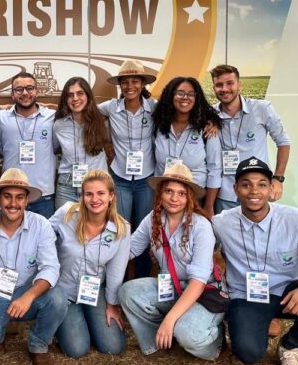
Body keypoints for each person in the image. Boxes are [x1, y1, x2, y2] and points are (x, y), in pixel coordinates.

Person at [212, 157, 298, 365]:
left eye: (262, 184)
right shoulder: (221, 223)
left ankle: (291, 346)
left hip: (287, 293)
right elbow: (198, 247)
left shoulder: (295, 219)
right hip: (246, 296)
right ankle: (248, 324)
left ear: (271, 188)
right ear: (235, 189)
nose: (254, 191)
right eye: (246, 184)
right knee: (248, 353)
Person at [119, 162, 225, 361]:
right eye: (169, 191)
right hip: (172, 287)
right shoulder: (153, 218)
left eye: (181, 193)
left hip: (204, 291)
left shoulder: (201, 226)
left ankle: (215, 341)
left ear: (189, 197)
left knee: (189, 334)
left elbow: (198, 281)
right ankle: (159, 341)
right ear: (160, 194)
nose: (174, 198)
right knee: (128, 292)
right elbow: (129, 251)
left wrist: (169, 320)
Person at [0, 168, 68, 365]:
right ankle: (0, 331)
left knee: (58, 298)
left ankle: (38, 345)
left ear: (27, 200)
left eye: (19, 197)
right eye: (7, 196)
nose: (13, 204)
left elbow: (50, 267)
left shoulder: (40, 225)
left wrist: (28, 296)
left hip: (27, 290)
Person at [49, 170, 129, 358]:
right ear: (82, 196)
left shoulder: (121, 229)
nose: (95, 199)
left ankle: (87, 320)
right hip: (65, 290)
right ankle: (63, 319)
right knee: (77, 349)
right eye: (89, 194)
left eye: (101, 193)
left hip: (93, 291)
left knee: (113, 346)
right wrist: (8, 216)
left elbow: (116, 272)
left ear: (111, 196)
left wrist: (111, 304)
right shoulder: (67, 213)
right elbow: (40, 232)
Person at [98, 60, 157, 276]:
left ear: (142, 84)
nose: (130, 86)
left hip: (146, 179)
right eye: (125, 82)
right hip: (120, 178)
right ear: (120, 86)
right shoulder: (111, 107)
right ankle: (118, 278)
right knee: (120, 229)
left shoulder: (154, 107)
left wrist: (210, 122)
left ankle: (140, 277)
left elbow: (182, 113)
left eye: (135, 81)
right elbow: (83, 111)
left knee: (143, 229)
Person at [210, 64, 291, 214]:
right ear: (213, 88)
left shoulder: (262, 109)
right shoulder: (210, 114)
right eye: (219, 85)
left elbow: (283, 142)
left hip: (256, 191)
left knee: (259, 234)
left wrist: (278, 179)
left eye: (230, 83)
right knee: (228, 235)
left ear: (239, 85)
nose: (225, 89)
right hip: (225, 192)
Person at [151, 76, 222, 219]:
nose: (185, 98)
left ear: (197, 98)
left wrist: (208, 206)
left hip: (195, 199)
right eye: (180, 93)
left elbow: (215, 169)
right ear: (171, 95)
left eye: (191, 94)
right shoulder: (159, 125)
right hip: (165, 198)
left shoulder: (207, 128)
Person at [0, 72, 57, 218]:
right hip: (11, 196)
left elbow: (57, 146)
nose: (25, 93)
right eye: (19, 89)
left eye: (30, 88)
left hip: (43, 196)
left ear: (36, 91)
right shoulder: (0, 118)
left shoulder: (52, 117)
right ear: (12, 95)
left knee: (44, 239)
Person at [53, 77, 110, 209]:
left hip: (98, 184)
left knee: (97, 228)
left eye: (80, 93)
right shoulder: (59, 125)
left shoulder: (103, 122)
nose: (75, 98)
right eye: (70, 95)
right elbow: (55, 147)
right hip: (67, 186)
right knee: (64, 228)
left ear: (88, 96)